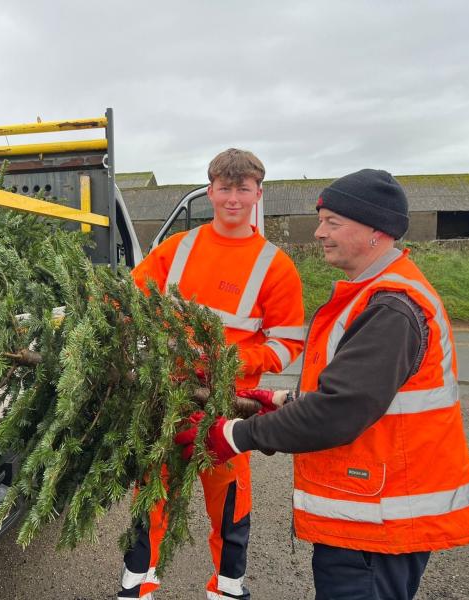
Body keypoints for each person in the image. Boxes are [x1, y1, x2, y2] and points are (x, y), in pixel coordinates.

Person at [176, 169, 469, 599]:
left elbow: (339, 411)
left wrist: (234, 435)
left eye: (332, 222)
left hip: (379, 523)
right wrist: (283, 400)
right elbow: (356, 394)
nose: (319, 233)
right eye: (321, 220)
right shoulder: (369, 293)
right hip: (369, 514)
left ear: (376, 230)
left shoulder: (392, 306)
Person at [117, 149, 306, 600]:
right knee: (150, 497)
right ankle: (136, 587)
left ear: (258, 193)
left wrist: (228, 364)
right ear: (211, 192)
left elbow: (288, 344)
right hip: (165, 400)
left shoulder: (274, 265)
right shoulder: (177, 249)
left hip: (225, 409)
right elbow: (129, 303)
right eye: (225, 188)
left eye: (243, 189)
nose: (233, 198)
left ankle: (226, 588)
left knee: (229, 503)